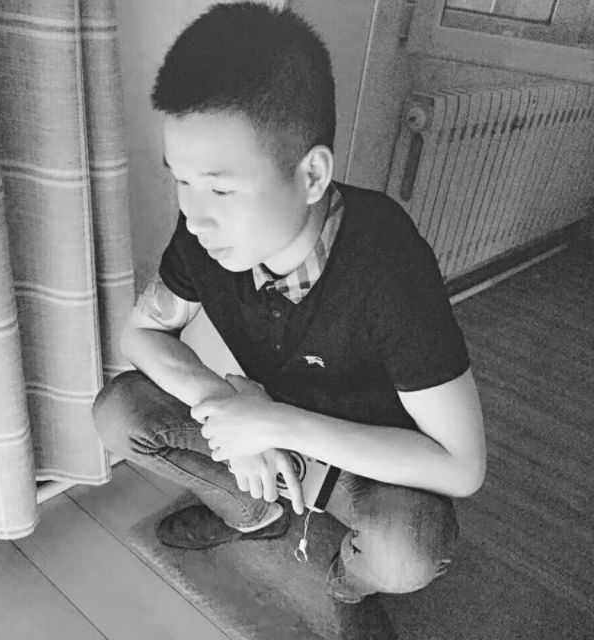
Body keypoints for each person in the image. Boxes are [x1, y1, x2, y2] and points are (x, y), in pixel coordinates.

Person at [92, 1, 486, 607]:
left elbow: (462, 467)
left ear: (311, 176)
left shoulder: (388, 262)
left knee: (407, 548)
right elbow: (141, 334)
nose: (194, 215)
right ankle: (255, 513)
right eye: (182, 180)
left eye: (221, 188)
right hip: (261, 420)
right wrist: (227, 409)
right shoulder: (203, 231)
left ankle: (349, 585)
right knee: (119, 411)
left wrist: (273, 423)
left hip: (363, 453)